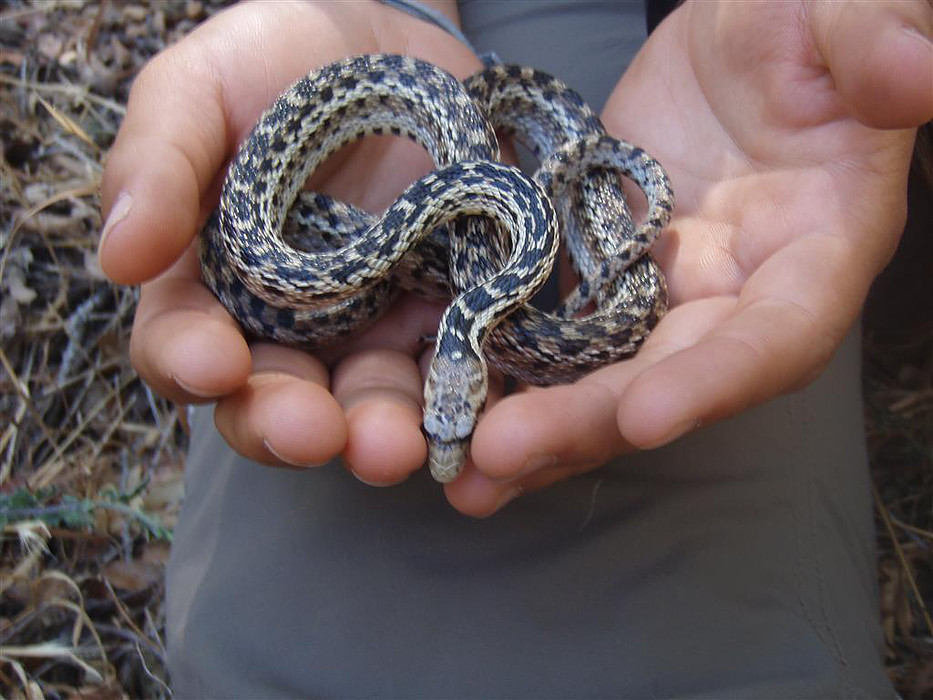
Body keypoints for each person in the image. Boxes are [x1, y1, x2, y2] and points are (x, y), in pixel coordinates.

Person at [98, 0, 932, 696]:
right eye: (447, 424)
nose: (446, 439)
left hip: (670, 51)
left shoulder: (497, 255)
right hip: (456, 44)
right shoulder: (476, 238)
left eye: (446, 424)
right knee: (251, 660)